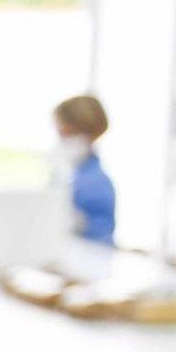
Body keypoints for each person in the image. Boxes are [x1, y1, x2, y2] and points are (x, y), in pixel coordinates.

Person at [53, 94, 115, 246]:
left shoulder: (97, 181)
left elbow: (103, 234)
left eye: (65, 131)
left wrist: (79, 223)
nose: (60, 137)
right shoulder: (71, 173)